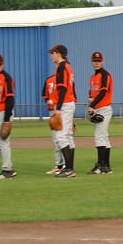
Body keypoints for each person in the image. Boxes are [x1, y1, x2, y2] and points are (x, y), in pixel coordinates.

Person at [48, 44, 78, 178]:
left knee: (61, 136)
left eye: (53, 53)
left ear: (58, 54)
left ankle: (69, 169)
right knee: (68, 137)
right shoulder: (68, 66)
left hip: (65, 104)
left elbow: (63, 88)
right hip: (69, 103)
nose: (52, 55)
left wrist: (58, 108)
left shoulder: (62, 67)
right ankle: (69, 168)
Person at [87, 51, 114, 174]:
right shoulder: (92, 78)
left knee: (99, 136)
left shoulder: (105, 75)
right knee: (104, 137)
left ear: (102, 61)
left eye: (99, 61)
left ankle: (99, 166)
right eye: (95, 61)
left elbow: (103, 92)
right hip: (97, 108)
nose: (97, 63)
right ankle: (106, 166)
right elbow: (92, 93)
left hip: (104, 108)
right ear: (91, 62)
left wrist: (91, 106)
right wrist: (91, 100)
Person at [0, 54, 17, 180]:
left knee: (3, 141)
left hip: (3, 112)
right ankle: (8, 167)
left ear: (3, 65)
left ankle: (7, 170)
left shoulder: (7, 78)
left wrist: (7, 118)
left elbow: (10, 98)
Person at [42, 72, 66, 174]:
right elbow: (44, 95)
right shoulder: (48, 80)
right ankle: (59, 165)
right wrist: (47, 101)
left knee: (63, 138)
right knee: (55, 139)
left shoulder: (64, 79)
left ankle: (66, 165)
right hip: (52, 111)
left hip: (62, 111)